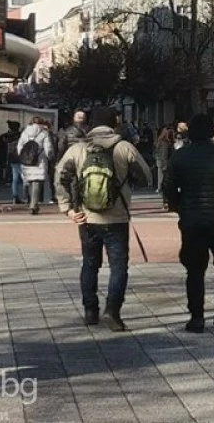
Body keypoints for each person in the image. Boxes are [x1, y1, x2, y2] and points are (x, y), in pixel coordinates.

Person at [57, 106, 150, 331]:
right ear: (113, 124)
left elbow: (60, 176)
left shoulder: (78, 149)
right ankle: (113, 311)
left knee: (90, 263)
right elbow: (146, 176)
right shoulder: (124, 147)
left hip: (86, 218)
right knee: (118, 266)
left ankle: (90, 311)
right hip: (117, 217)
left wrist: (68, 209)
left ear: (91, 125)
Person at [163, 115, 214, 333]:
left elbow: (169, 187)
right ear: (212, 131)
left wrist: (179, 206)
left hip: (192, 219)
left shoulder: (180, 156)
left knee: (194, 269)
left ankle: (197, 316)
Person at [17, 118, 54, 215]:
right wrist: (50, 157)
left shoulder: (25, 132)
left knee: (30, 181)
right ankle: (34, 204)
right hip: (39, 160)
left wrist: (23, 155)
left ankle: (31, 203)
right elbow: (48, 148)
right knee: (37, 182)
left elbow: (20, 146)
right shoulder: (44, 133)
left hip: (27, 160)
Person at [0, 121, 22, 196]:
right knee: (20, 176)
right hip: (18, 158)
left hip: (6, 158)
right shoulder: (21, 136)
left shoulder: (3, 136)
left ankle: (14, 194)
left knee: (14, 176)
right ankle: (24, 195)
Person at [155, 126, 174, 197]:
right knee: (161, 175)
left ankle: (161, 188)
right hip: (162, 159)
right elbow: (158, 150)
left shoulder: (166, 141)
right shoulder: (162, 141)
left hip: (163, 159)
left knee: (163, 175)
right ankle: (160, 188)